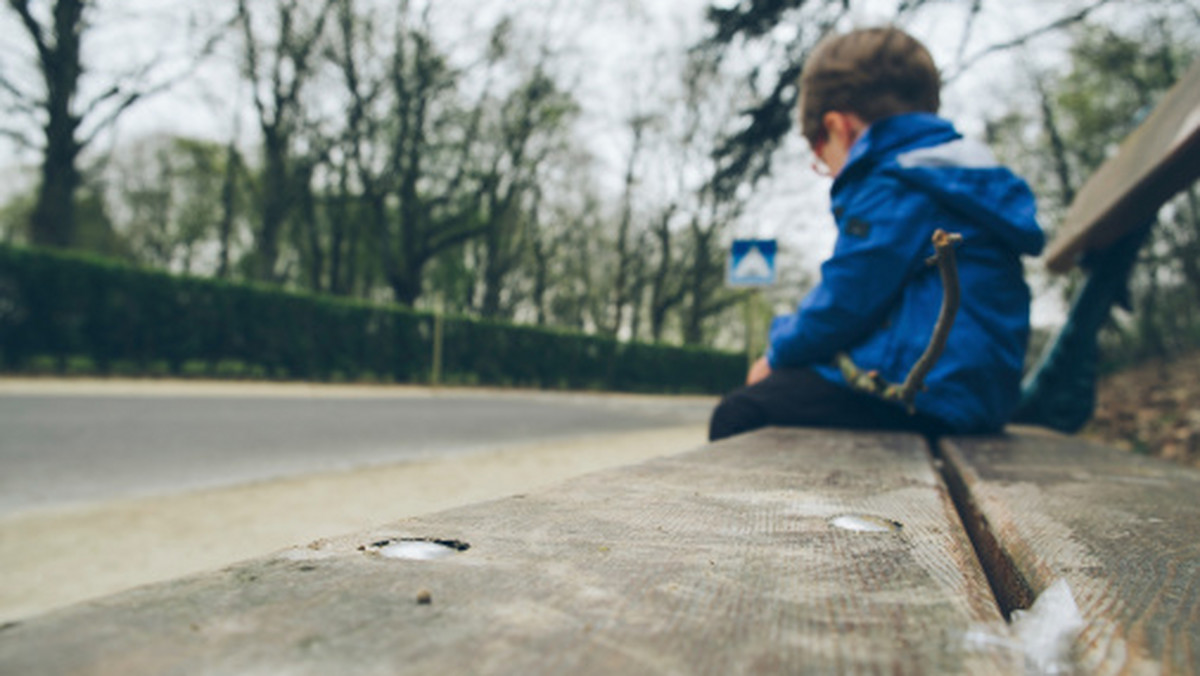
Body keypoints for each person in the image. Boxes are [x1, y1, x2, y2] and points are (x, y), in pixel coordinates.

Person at [709, 26, 1045, 441]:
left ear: (839, 127)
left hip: (922, 396)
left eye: (821, 157)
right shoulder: (957, 175)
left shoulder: (896, 181)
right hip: (975, 396)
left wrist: (775, 354)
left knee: (742, 412)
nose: (829, 171)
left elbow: (846, 301)